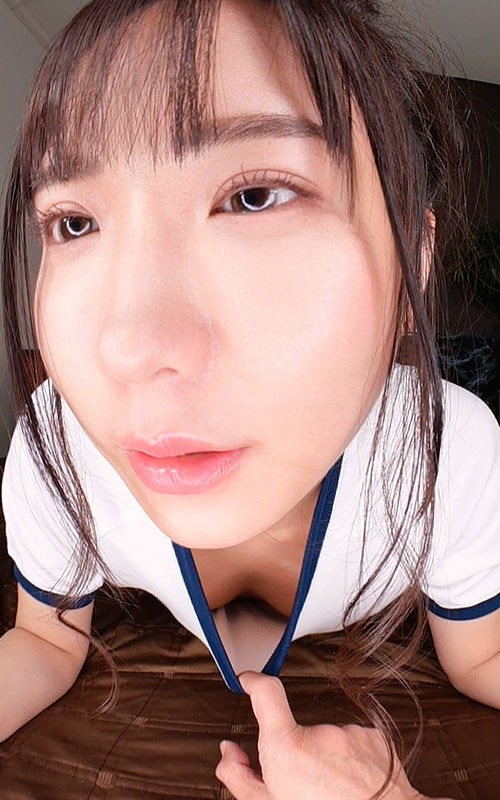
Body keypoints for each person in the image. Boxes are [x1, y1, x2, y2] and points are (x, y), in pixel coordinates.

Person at [0, 0, 498, 797]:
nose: (126, 348)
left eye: (256, 195)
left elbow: (483, 655)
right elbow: (46, 643)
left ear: (414, 258)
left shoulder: (451, 452)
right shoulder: (56, 443)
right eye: (75, 222)